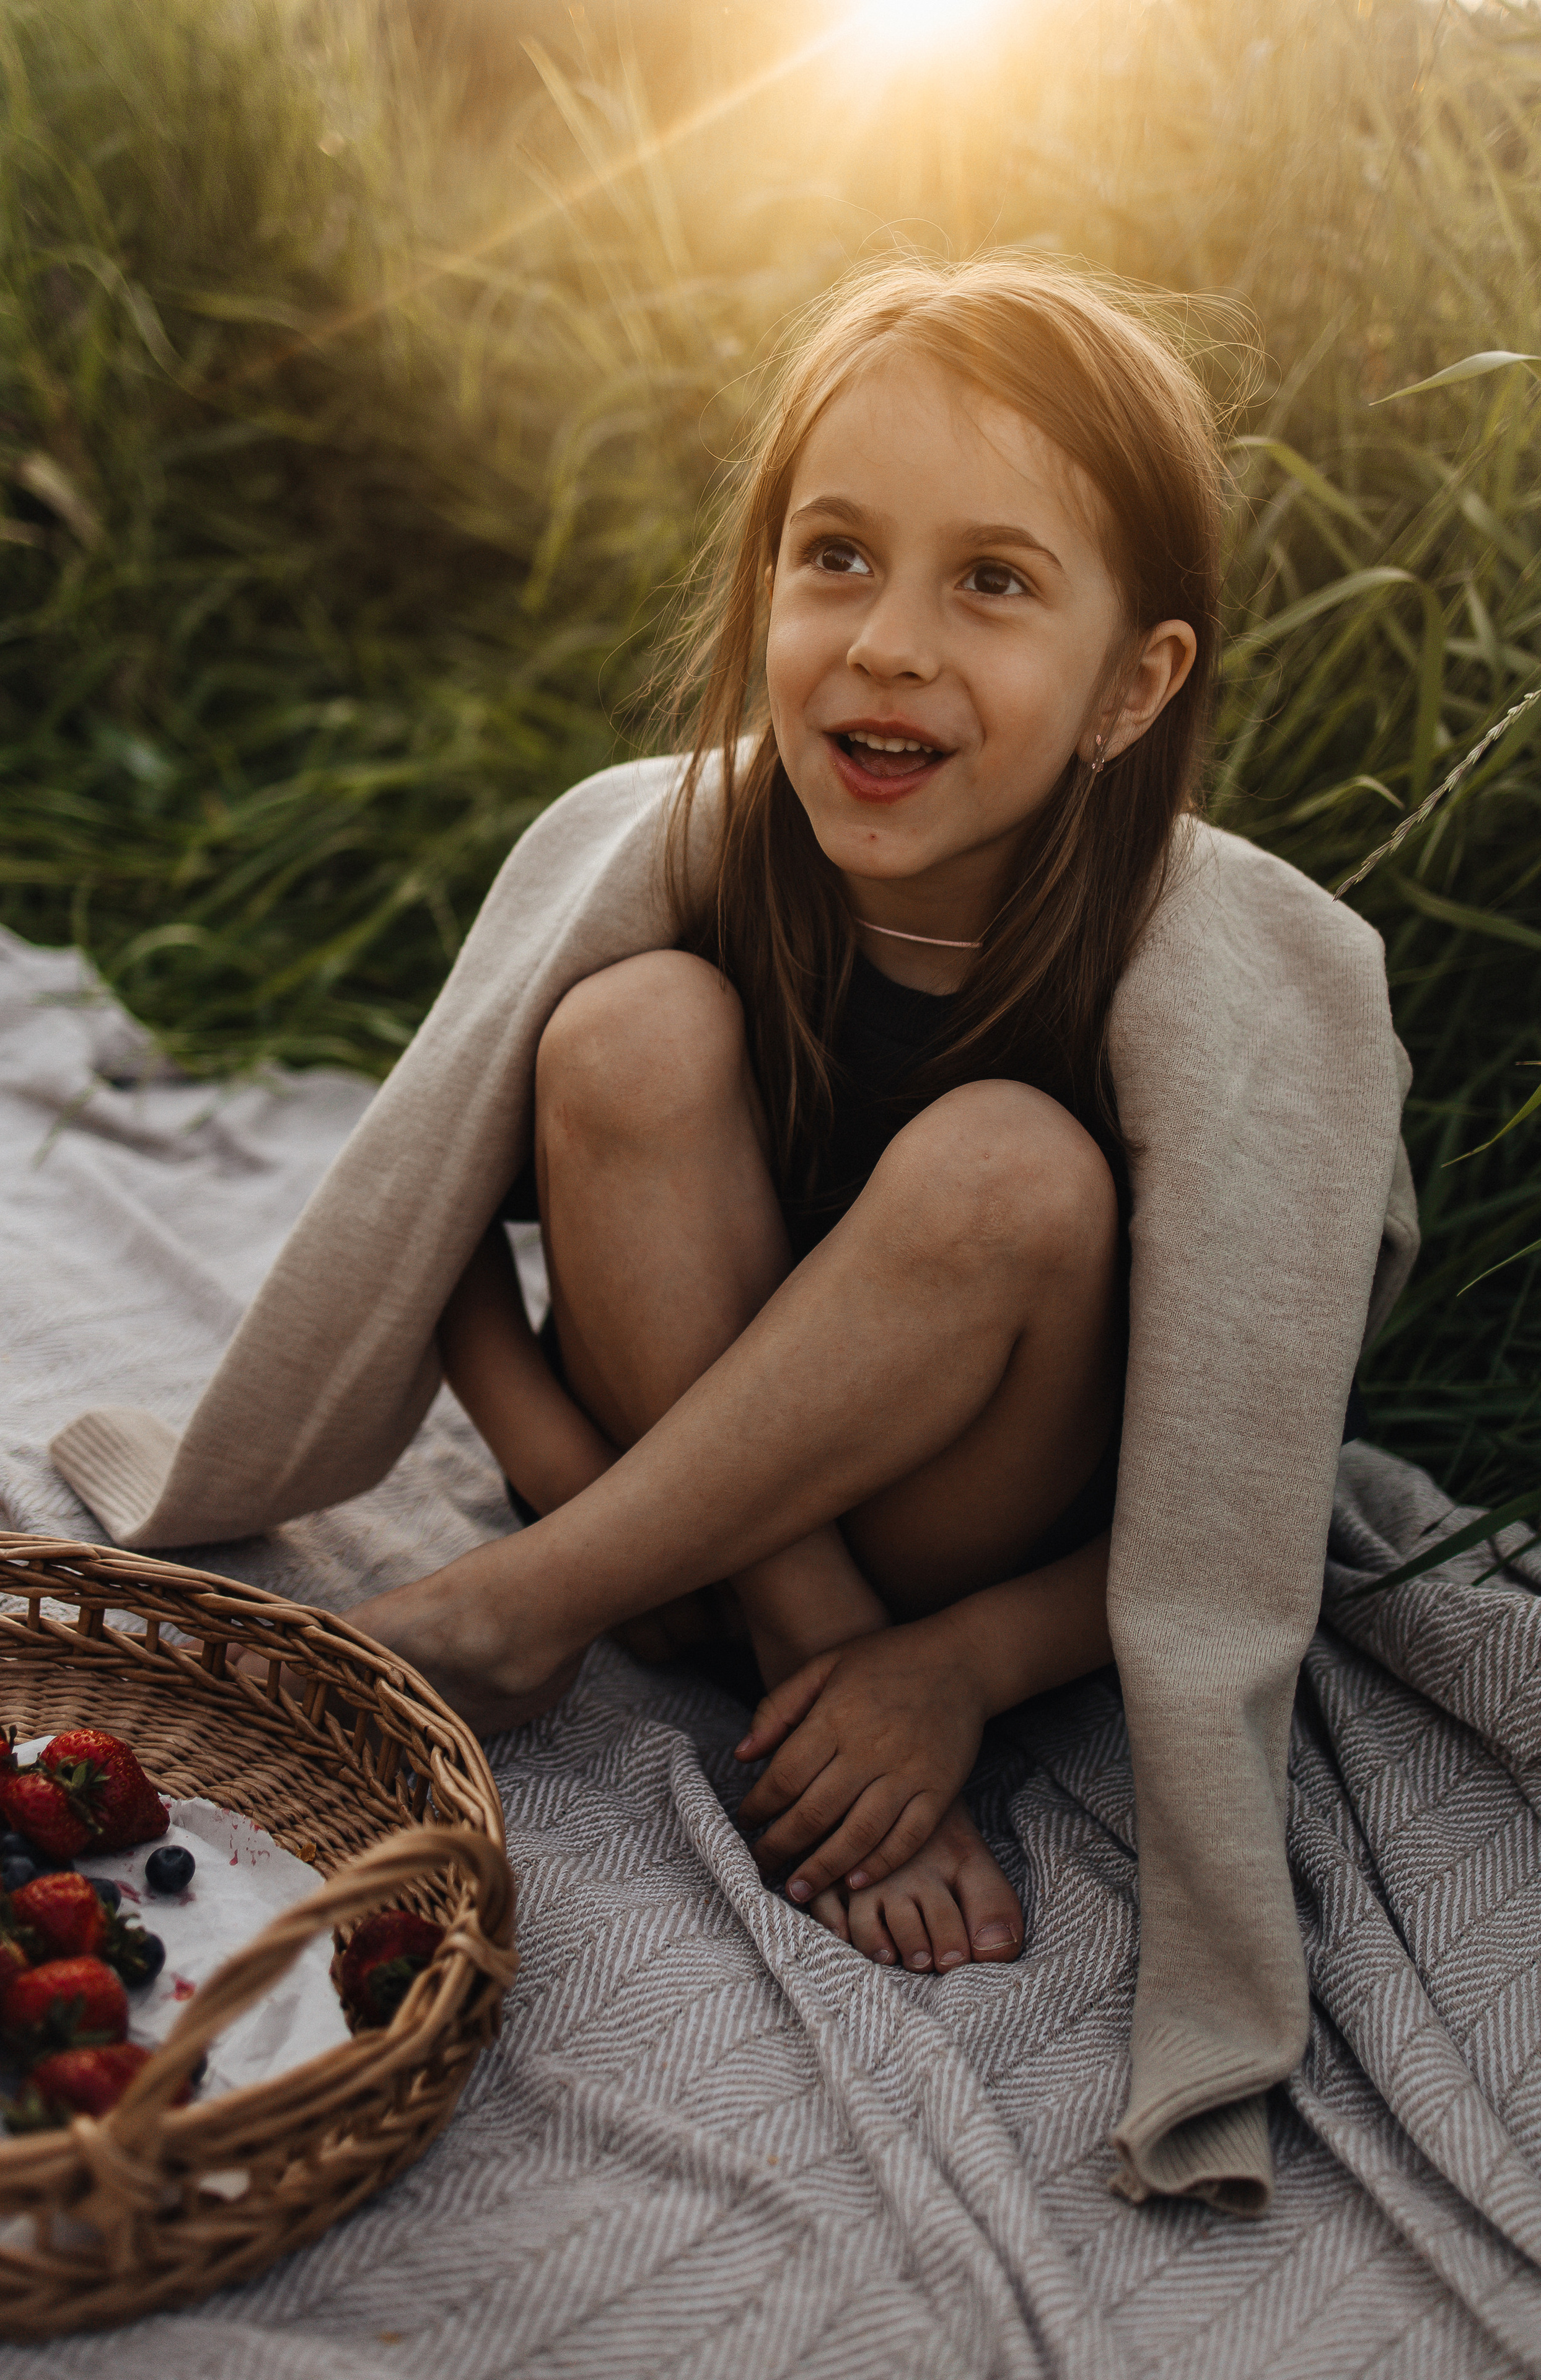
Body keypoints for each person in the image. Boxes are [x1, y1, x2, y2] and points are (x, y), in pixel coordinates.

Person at [341, 256, 1267, 1973]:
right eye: (836, 556)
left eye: (992, 580)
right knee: (623, 1035)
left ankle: (527, 1618)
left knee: (1008, 1168)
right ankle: (775, 1645)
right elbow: (425, 1204)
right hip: (673, 1507)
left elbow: (1239, 1491)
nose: (889, 644)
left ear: (1133, 690)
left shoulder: (1195, 984)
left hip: (965, 1524)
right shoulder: (679, 858)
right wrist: (568, 1473)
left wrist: (958, 1668)